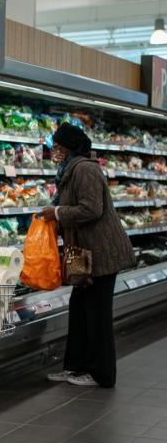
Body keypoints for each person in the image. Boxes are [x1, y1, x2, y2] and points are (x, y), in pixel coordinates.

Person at [41, 122, 135, 388]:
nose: (55, 152)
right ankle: (75, 367)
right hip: (81, 253)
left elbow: (92, 209)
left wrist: (57, 213)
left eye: (58, 147)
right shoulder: (69, 170)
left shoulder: (85, 169)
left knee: (97, 314)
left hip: (100, 252)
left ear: (71, 148)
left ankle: (101, 374)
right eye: (54, 147)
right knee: (79, 310)